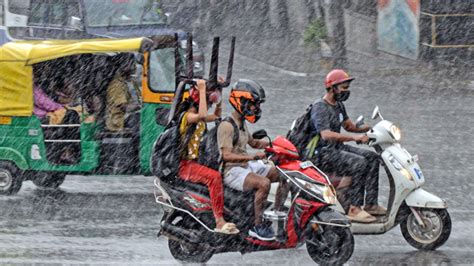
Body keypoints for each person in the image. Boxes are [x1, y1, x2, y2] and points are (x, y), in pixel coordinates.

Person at [308, 69, 386, 223]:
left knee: (372, 158)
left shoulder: (338, 105)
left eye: (347, 87)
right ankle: (354, 208)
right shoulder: (320, 107)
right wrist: (354, 138)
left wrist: (371, 129)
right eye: (344, 88)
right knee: (359, 163)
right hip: (321, 152)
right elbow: (326, 135)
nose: (347, 91)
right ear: (332, 88)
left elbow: (349, 126)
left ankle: (370, 204)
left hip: (336, 148)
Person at [217, 79, 286, 241]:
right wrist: (253, 156)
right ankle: (257, 225)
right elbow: (225, 156)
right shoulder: (226, 126)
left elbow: (254, 143)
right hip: (231, 170)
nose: (257, 108)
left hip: (245, 165)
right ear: (241, 101)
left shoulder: (241, 123)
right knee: (264, 183)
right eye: (254, 104)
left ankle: (277, 214)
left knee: (284, 173)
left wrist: (278, 145)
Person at [178, 79, 239, 235]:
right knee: (214, 178)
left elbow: (216, 116)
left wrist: (220, 94)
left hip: (196, 163)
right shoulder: (188, 117)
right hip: (185, 165)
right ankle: (219, 221)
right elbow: (203, 115)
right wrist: (202, 88)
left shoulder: (201, 118)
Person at [105, 54, 136, 132]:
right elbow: (124, 106)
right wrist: (142, 107)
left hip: (125, 119)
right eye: (132, 64)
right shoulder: (116, 84)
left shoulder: (127, 82)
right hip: (118, 122)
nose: (134, 68)